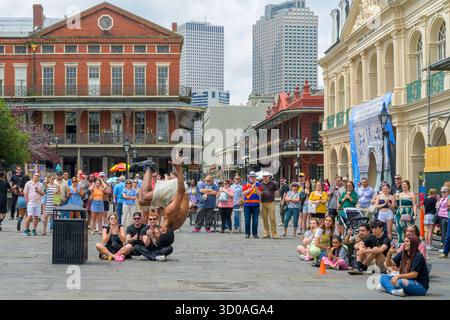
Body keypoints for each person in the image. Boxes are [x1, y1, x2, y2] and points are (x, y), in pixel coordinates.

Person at [242, 171, 263, 239]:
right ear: (249, 177)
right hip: (247, 205)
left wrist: (256, 188)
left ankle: (255, 234)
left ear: (255, 178)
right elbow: (244, 193)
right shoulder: (245, 184)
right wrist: (251, 188)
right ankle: (247, 233)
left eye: (253, 177)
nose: (252, 178)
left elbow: (260, 194)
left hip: (256, 205)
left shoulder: (258, 184)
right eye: (251, 177)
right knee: (247, 220)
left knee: (255, 220)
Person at [260, 173, 279, 239]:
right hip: (263, 203)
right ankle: (266, 233)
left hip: (271, 202)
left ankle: (274, 234)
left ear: (269, 177)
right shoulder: (260, 184)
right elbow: (258, 193)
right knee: (264, 219)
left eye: (266, 176)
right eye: (264, 176)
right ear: (262, 177)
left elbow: (276, 192)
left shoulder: (273, 184)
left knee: (272, 218)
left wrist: (273, 197)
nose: (265, 178)